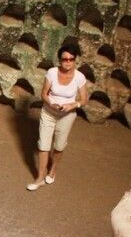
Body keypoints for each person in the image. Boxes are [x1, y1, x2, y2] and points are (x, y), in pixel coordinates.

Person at [27, 44, 89, 191]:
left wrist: (73, 105)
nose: (67, 62)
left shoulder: (79, 77)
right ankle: (40, 178)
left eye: (71, 59)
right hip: (49, 112)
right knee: (43, 144)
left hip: (67, 115)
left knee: (59, 146)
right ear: (60, 60)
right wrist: (51, 103)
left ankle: (53, 170)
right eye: (64, 59)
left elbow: (84, 99)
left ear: (75, 60)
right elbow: (44, 94)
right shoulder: (52, 72)